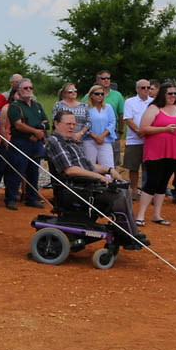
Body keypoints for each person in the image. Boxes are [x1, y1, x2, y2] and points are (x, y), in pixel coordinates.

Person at [43, 110, 139, 241]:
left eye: (74, 124)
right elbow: (70, 170)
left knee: (123, 188)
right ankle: (126, 234)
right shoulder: (55, 142)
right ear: (57, 123)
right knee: (118, 195)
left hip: (84, 185)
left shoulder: (70, 141)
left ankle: (130, 231)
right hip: (73, 190)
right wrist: (98, 177)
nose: (72, 127)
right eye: (68, 124)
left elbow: (87, 165)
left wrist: (109, 170)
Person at [136, 83, 176, 227]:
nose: (173, 96)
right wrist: (164, 129)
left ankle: (157, 214)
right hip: (156, 151)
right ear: (163, 94)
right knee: (153, 181)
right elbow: (143, 129)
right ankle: (140, 215)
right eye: (170, 93)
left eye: (175, 93)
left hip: (175, 150)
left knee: (164, 182)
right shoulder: (154, 108)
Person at [3, 77, 48, 211]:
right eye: (25, 88)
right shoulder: (15, 106)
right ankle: (10, 198)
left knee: (34, 171)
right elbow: (18, 125)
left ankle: (31, 198)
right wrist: (35, 131)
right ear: (19, 90)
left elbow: (46, 122)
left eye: (30, 88)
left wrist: (38, 133)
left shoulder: (37, 105)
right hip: (20, 142)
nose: (29, 90)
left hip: (36, 143)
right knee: (16, 171)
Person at [122, 79, 153, 197]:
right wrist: (139, 131)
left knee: (149, 167)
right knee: (133, 166)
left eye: (148, 87)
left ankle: (147, 191)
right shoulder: (130, 101)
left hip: (150, 140)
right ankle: (134, 190)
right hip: (134, 139)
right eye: (143, 87)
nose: (146, 90)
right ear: (137, 89)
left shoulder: (154, 102)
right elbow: (128, 119)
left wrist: (147, 132)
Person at [83, 82, 117, 170]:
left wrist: (102, 136)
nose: (100, 96)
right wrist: (94, 136)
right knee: (90, 166)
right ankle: (91, 183)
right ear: (91, 95)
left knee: (108, 165)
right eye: (97, 94)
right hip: (89, 140)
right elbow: (83, 124)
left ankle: (108, 182)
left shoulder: (108, 107)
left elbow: (112, 122)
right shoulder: (85, 108)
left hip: (105, 140)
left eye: (102, 94)